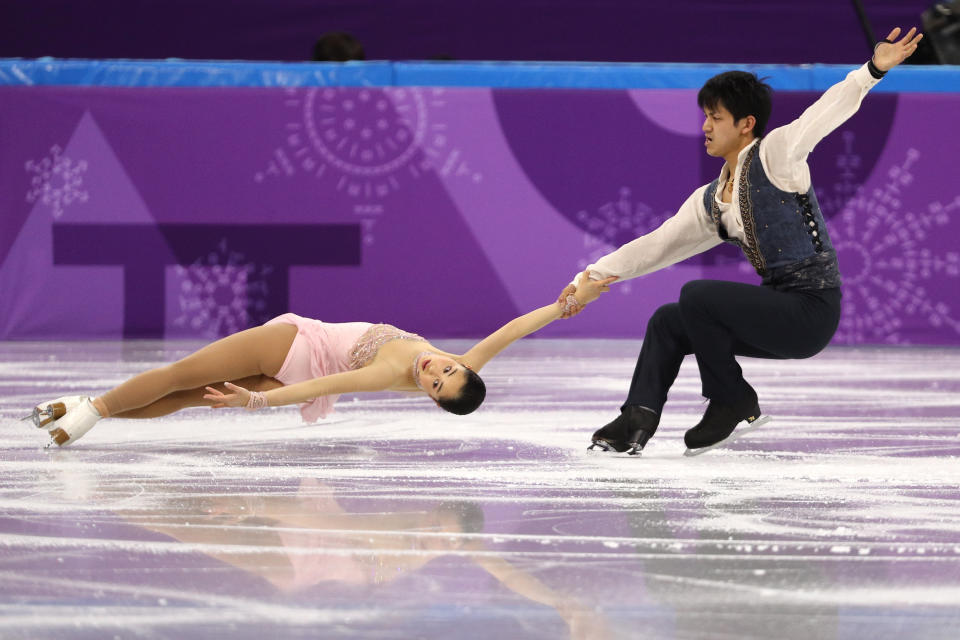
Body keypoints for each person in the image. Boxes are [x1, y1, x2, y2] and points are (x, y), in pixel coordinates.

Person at [558, 27, 924, 457]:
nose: (705, 126)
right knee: (668, 321)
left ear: (746, 124)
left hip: (810, 312)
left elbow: (824, 112)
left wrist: (873, 70)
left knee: (698, 295)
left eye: (715, 117)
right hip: (776, 311)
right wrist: (592, 277)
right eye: (705, 116)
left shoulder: (777, 155)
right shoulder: (713, 199)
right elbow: (655, 246)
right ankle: (637, 419)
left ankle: (731, 398)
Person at [25, 272, 615, 448]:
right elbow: (512, 330)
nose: (435, 371)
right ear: (463, 367)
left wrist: (257, 399)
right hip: (302, 371)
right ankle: (80, 411)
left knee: (183, 378)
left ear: (432, 400)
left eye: (436, 385)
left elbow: (320, 383)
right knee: (182, 397)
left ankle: (91, 407)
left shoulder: (388, 372)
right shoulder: (462, 359)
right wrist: (563, 305)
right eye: (449, 371)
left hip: (296, 350)